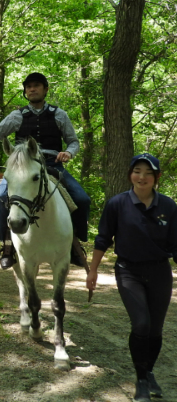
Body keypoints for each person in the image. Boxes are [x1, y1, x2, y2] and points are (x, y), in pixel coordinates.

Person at [0, 72, 91, 269]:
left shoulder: (59, 115)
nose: (32, 89)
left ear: (45, 89)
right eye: (28, 86)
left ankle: (76, 244)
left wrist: (68, 152)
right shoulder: (17, 116)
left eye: (36, 85)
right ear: (25, 91)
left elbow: (73, 141)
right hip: (22, 169)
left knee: (82, 199)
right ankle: (7, 246)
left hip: (52, 166)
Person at [86, 153, 177, 402]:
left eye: (149, 173)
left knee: (156, 330)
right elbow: (103, 238)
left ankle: (147, 373)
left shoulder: (168, 207)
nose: (142, 177)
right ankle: (141, 382)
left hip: (159, 271)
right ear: (130, 175)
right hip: (128, 271)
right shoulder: (117, 204)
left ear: (156, 177)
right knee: (141, 324)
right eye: (137, 171)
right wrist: (92, 270)